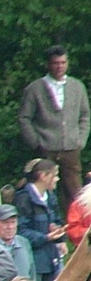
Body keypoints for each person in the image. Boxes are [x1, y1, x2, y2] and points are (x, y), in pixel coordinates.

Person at [18, 46, 90, 204]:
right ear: (48, 64)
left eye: (63, 62)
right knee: (42, 191)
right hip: (45, 148)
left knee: (75, 193)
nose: (59, 66)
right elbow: (24, 117)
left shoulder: (77, 87)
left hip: (71, 148)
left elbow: (85, 115)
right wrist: (35, 142)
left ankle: (76, 227)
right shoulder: (35, 89)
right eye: (56, 63)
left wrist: (80, 140)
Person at [13, 157, 65, 281]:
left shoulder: (50, 196)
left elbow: (56, 219)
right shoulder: (23, 198)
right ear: (43, 176)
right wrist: (46, 237)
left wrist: (58, 232)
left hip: (52, 259)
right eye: (55, 175)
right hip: (34, 260)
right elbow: (20, 232)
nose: (57, 179)